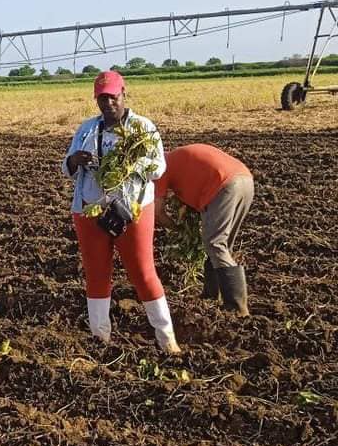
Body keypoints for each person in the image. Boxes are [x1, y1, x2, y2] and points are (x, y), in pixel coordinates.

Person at [62, 70, 180, 353]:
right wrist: (75, 160)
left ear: (123, 93)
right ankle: (100, 338)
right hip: (90, 211)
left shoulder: (143, 128)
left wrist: (131, 164)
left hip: (132, 211)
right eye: (102, 99)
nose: (108, 104)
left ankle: (167, 340)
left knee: (142, 272)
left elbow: (159, 168)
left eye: (112, 97)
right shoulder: (87, 129)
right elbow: (66, 168)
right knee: (96, 273)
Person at [154, 144, 254, 315]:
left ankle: (237, 307)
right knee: (222, 245)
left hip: (224, 185)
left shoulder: (160, 167)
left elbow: (158, 212)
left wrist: (176, 228)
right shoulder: (177, 158)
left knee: (215, 243)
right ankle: (211, 294)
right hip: (245, 180)